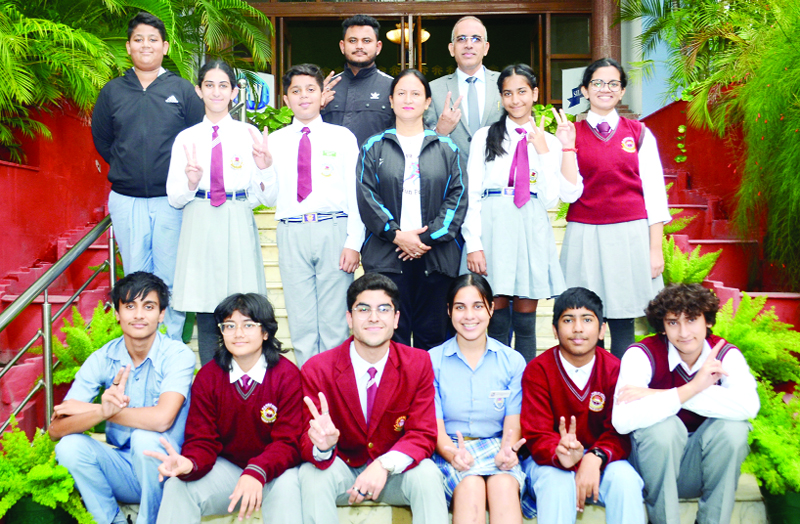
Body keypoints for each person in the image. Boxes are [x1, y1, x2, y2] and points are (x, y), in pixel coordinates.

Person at [298, 273, 447, 524]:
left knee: (428, 474)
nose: (374, 317)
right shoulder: (317, 368)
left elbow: (423, 433)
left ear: (396, 319)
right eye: (363, 309)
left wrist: (383, 465)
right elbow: (304, 438)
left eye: (384, 309)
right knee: (311, 476)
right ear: (349, 318)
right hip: (342, 467)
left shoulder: (418, 363)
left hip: (393, 473)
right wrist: (322, 446)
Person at [92, 12, 205, 341]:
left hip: (171, 202)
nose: (146, 45)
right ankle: (140, 349)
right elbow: (103, 140)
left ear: (165, 47)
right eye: (139, 39)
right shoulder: (112, 92)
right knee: (136, 279)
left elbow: (195, 139)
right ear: (128, 46)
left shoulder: (182, 91)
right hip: (126, 202)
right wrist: (128, 167)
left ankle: (169, 350)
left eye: (153, 40)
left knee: (170, 277)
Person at [49, 272, 195, 524]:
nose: (138, 315)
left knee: (145, 439)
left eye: (148, 307)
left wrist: (105, 411)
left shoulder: (177, 355)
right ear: (117, 313)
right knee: (69, 447)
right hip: (124, 470)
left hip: (171, 470)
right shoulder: (102, 358)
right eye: (129, 306)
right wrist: (100, 412)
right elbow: (56, 429)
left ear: (161, 314)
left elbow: (162, 420)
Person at [146, 293, 303, 524]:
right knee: (178, 486)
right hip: (228, 469)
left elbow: (288, 443)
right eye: (229, 325)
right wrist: (190, 463)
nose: (238, 333)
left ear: (266, 332)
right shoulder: (208, 377)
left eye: (248, 325)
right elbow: (202, 439)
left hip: (276, 472)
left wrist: (256, 471)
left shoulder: (287, 375)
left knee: (290, 485)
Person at [613, 284, 759, 524]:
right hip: (651, 469)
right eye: (672, 322)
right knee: (664, 429)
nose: (683, 332)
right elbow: (622, 420)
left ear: (708, 321)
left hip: (701, 468)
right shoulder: (642, 354)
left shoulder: (726, 355)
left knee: (734, 430)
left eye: (691, 320)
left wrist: (657, 394)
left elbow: (748, 407)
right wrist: (692, 388)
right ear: (662, 326)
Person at [463, 63, 580, 362]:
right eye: (508, 93)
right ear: (501, 97)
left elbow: (553, 199)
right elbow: (472, 194)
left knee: (526, 323)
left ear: (535, 94)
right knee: (497, 317)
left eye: (522, 92)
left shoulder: (549, 142)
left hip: (531, 226)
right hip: (494, 224)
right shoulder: (484, 137)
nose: (516, 100)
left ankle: (528, 387)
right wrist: (474, 243)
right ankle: (499, 378)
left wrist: (542, 150)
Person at [559, 58, 671, 359]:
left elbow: (655, 195)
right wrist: (566, 147)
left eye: (613, 84)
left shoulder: (640, 133)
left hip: (629, 234)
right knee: (584, 319)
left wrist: (654, 249)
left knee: (624, 321)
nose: (604, 89)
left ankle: (621, 395)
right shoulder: (572, 133)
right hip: (585, 233)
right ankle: (591, 394)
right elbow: (568, 193)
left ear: (622, 92)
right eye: (597, 83)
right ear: (584, 90)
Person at [257, 63, 364, 366]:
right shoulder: (275, 141)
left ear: (322, 95)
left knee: (334, 325)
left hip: (333, 229)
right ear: (286, 99)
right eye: (296, 91)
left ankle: (335, 392)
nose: (303, 96)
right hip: (291, 231)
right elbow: (267, 197)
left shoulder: (342, 137)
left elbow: (355, 193)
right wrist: (264, 167)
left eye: (310, 89)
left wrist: (353, 242)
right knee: (302, 323)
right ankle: (308, 395)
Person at [166, 60, 270, 366]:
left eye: (223, 85)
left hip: (236, 215)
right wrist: (192, 182)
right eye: (209, 85)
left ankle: (243, 379)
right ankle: (212, 381)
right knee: (205, 304)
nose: (216, 92)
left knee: (242, 304)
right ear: (198, 90)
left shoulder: (248, 134)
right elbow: (174, 197)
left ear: (234, 92)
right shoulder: (186, 138)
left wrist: (266, 169)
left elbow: (266, 195)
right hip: (199, 216)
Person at [357, 69, 466, 350]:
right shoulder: (373, 146)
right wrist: (396, 235)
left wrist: (424, 239)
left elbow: (457, 197)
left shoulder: (447, 148)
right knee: (392, 339)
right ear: (391, 101)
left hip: (436, 257)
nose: (408, 99)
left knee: (435, 337)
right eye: (401, 93)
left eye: (416, 93)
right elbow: (366, 197)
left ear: (428, 102)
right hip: (387, 256)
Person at [521, 287, 645, 524]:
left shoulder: (615, 370)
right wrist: (561, 452)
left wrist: (595, 456)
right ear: (555, 330)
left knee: (626, 481)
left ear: (601, 330)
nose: (578, 328)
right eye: (568, 320)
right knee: (557, 483)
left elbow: (620, 430)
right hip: (551, 461)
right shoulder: (538, 370)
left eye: (587, 320)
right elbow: (535, 433)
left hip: (601, 459)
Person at [429, 274, 534, 523]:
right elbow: (434, 426)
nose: (469, 316)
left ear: (490, 309)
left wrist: (508, 451)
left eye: (478, 306)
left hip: (498, 448)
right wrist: (452, 453)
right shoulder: (432, 361)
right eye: (460, 307)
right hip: (450, 451)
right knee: (470, 487)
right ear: (449, 311)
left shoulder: (512, 361)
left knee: (504, 486)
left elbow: (513, 419)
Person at [424, 16, 504, 166]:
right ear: (451, 48)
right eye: (461, 39)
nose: (468, 45)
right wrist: (440, 131)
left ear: (486, 48)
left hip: (496, 182)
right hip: (451, 181)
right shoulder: (433, 89)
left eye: (476, 39)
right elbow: (421, 144)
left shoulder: (504, 84)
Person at [320, 15, 394, 147]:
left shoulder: (392, 87)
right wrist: (315, 108)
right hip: (330, 166)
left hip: (376, 166)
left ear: (378, 47)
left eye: (366, 41)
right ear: (342, 46)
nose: (359, 46)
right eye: (353, 40)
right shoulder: (325, 88)